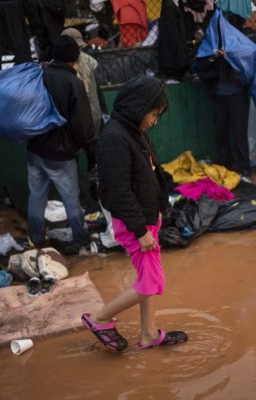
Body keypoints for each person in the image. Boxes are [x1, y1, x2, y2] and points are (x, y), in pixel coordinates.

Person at [81, 75, 188, 351]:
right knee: (151, 281)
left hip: (144, 219)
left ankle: (149, 334)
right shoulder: (116, 138)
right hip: (134, 224)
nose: (154, 121)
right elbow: (119, 192)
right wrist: (140, 231)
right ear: (138, 107)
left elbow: (147, 176)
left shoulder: (132, 132)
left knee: (148, 279)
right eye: (153, 114)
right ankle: (99, 318)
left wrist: (157, 212)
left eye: (158, 115)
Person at [26, 35, 97, 255]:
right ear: (74, 58)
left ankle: (36, 239)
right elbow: (82, 123)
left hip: (35, 148)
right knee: (70, 198)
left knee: (36, 196)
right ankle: (80, 240)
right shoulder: (72, 82)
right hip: (60, 153)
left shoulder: (39, 76)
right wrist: (91, 149)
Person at [61, 27, 118, 250]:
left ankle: (95, 197)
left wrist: (104, 114)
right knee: (83, 161)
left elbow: (98, 91)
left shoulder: (85, 63)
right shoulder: (66, 68)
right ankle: (87, 199)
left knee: (94, 161)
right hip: (81, 122)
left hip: (90, 120)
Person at [196, 47, 252, 177]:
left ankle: (244, 166)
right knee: (220, 130)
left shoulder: (237, 46)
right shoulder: (210, 47)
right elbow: (200, 66)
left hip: (236, 94)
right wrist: (214, 57)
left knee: (239, 132)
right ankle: (223, 163)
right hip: (218, 95)